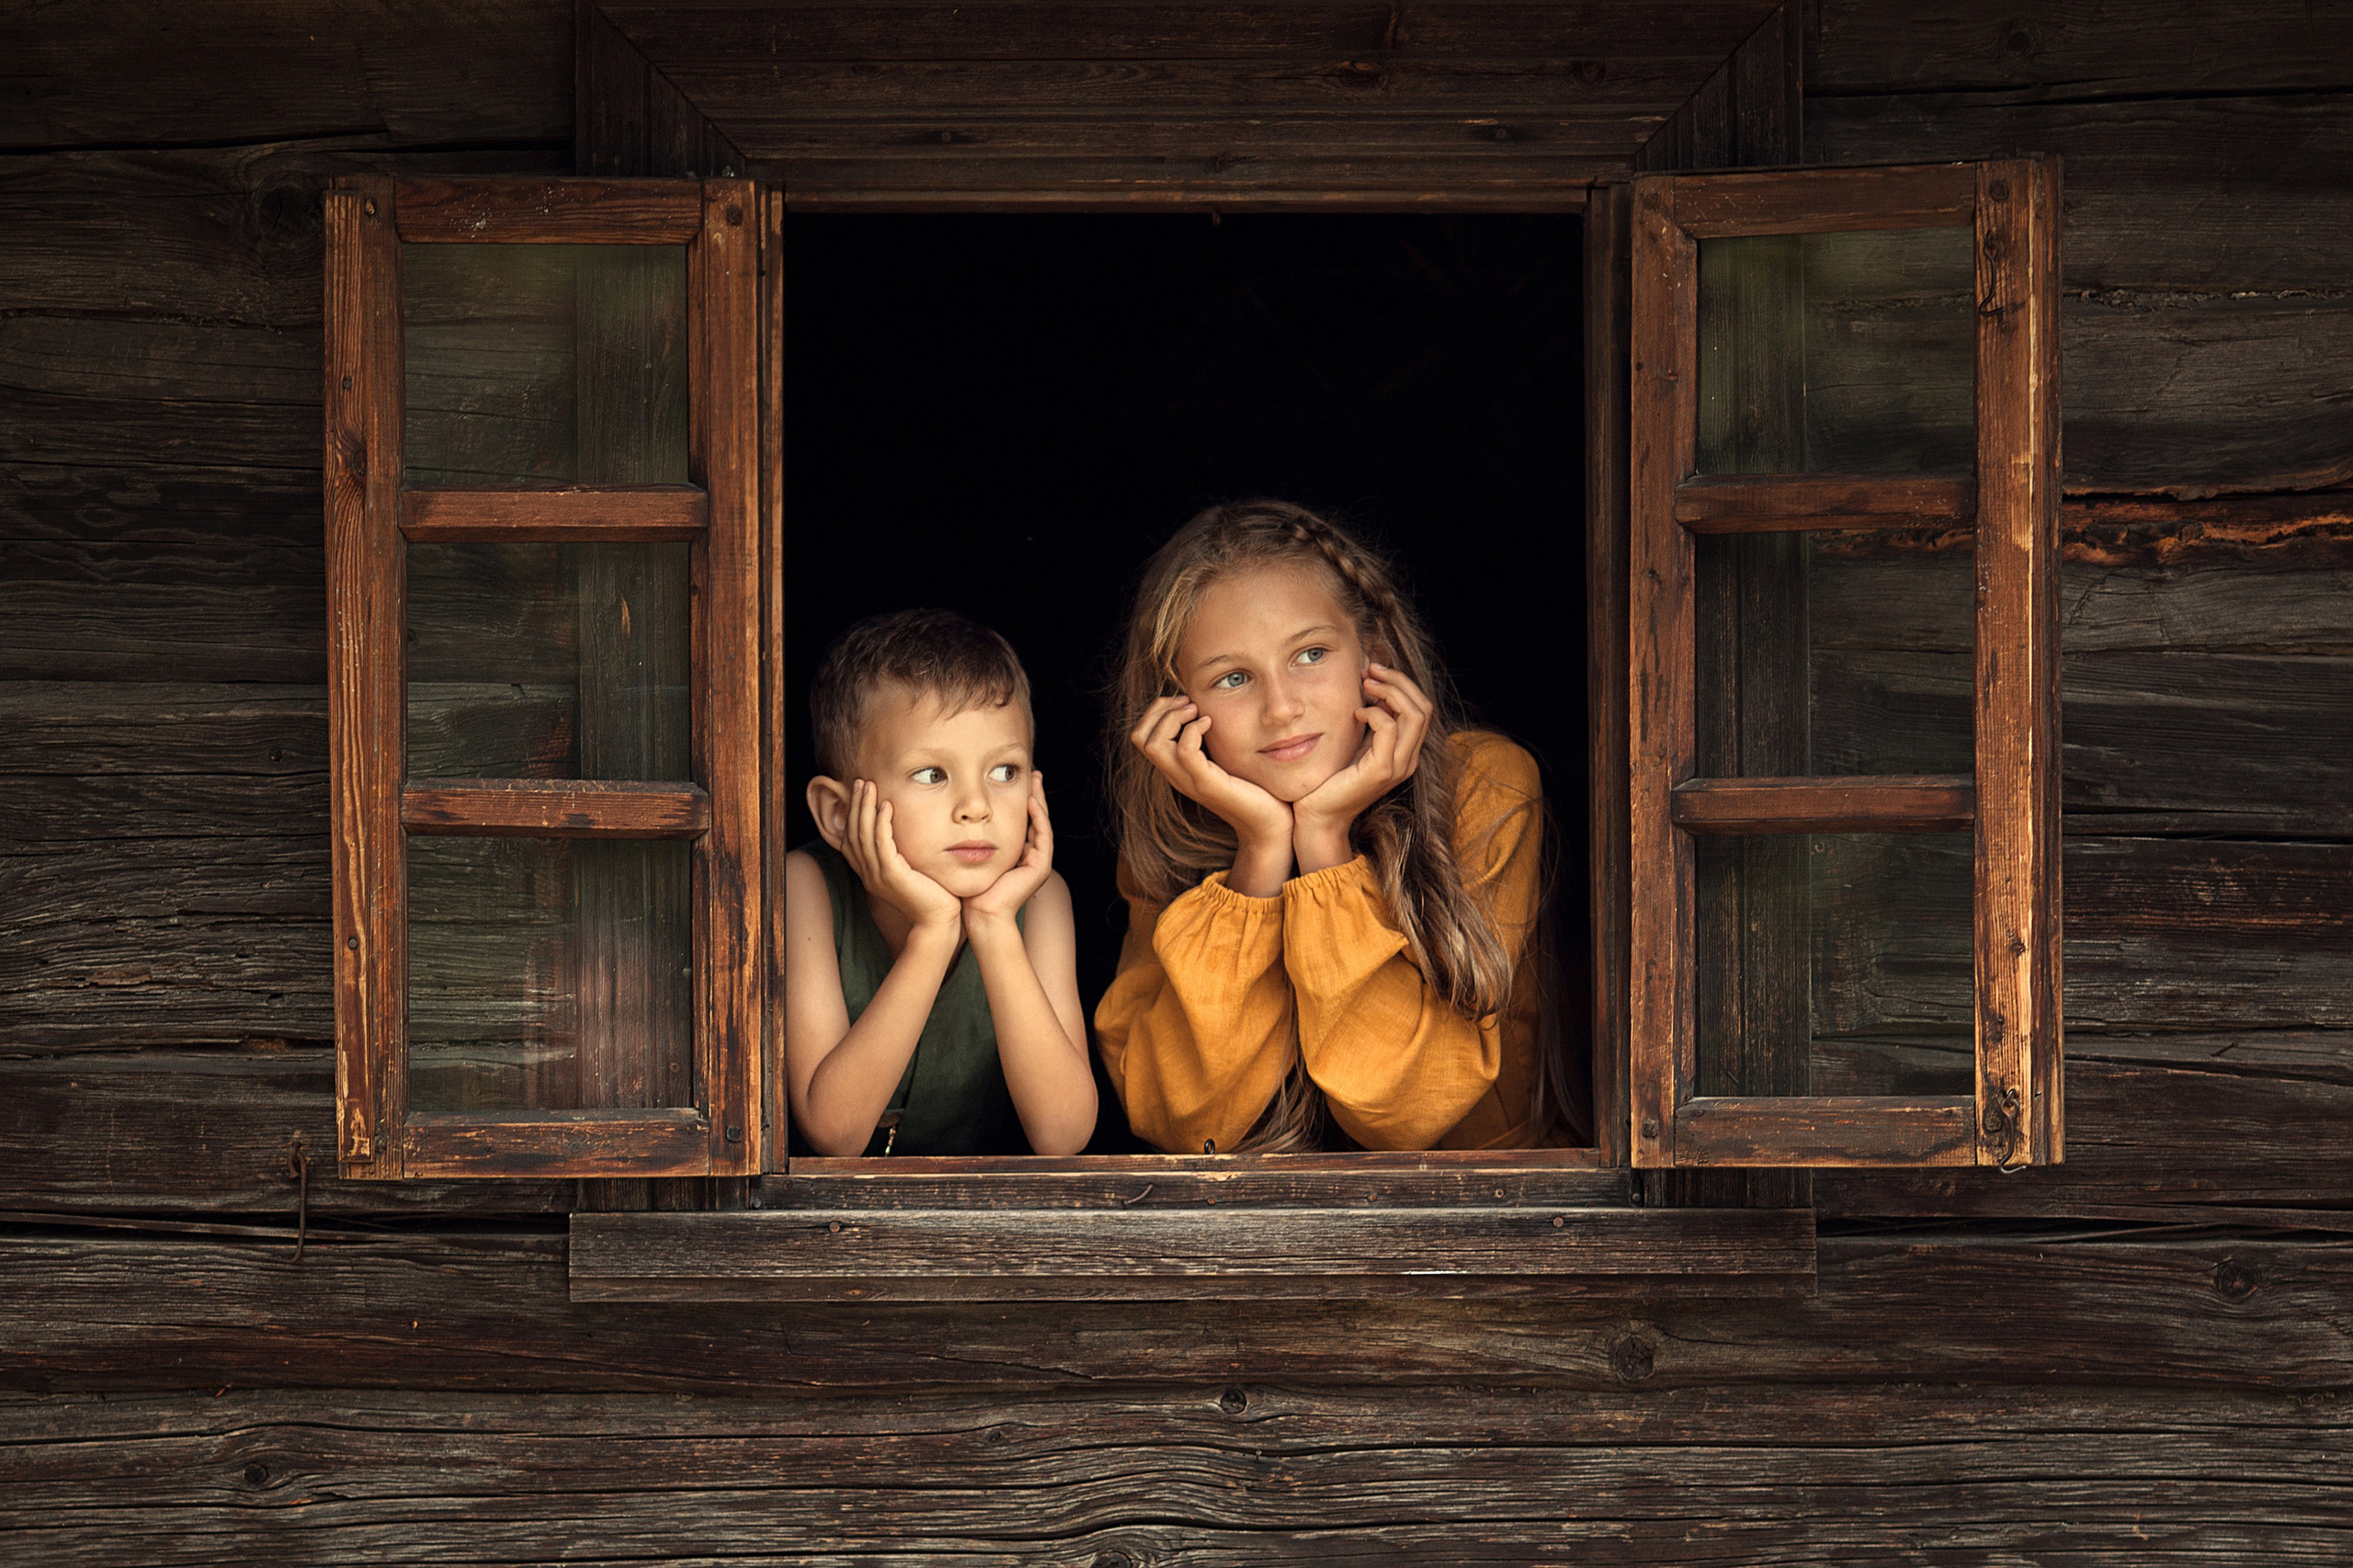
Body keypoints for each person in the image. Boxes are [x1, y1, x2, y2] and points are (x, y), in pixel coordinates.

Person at [1096, 500, 1572, 1153]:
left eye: (1311, 653)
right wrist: (1260, 853)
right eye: (1233, 678)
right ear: (1176, 708)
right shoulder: (1173, 836)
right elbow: (1183, 1122)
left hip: (1480, 1230)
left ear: (1371, 654)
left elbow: (1407, 1113)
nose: (1283, 708)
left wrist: (1323, 843)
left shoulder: (1482, 787)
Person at [783, 609, 1097, 1156]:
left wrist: (995, 924)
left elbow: (1063, 1136)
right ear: (838, 813)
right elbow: (834, 1135)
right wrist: (934, 931)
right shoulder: (806, 886)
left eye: (1005, 772)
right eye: (932, 775)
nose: (977, 807)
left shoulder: (1040, 899)